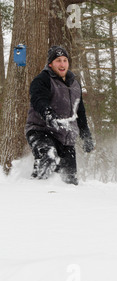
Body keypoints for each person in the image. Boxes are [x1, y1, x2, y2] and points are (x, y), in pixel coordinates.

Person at [25, 46, 94, 185]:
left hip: (66, 137)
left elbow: (80, 111)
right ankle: (34, 191)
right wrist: (48, 114)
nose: (62, 64)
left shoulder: (75, 85)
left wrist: (85, 135)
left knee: (69, 181)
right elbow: (38, 99)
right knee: (48, 157)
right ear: (51, 64)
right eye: (58, 61)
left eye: (65, 60)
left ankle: (62, 204)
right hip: (41, 131)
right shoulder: (42, 80)